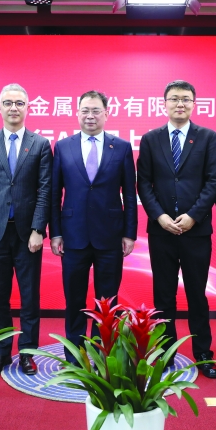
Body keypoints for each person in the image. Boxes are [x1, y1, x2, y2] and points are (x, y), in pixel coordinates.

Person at [137, 80, 216, 378]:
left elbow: (214, 181)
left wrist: (194, 216)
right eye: (174, 99)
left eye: (185, 99)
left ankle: (203, 354)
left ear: (194, 104)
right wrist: (159, 216)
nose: (180, 104)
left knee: (197, 294)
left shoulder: (208, 137)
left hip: (195, 231)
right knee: (163, 296)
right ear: (164, 104)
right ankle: (165, 353)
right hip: (161, 231)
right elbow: (143, 183)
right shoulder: (151, 139)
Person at [50, 90, 137, 364]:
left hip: (110, 235)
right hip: (72, 235)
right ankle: (74, 354)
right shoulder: (63, 147)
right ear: (77, 113)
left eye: (96, 110)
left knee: (107, 301)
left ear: (106, 114)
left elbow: (129, 194)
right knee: (74, 298)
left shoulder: (121, 147)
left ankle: (103, 353)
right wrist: (56, 233)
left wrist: (129, 233)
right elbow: (54, 194)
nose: (90, 116)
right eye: (85, 110)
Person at [0, 83, 52, 376]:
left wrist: (38, 229)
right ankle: (2, 354)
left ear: (28, 107)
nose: (13, 108)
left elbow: (45, 190)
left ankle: (28, 353)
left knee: (29, 297)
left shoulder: (40, 144)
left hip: (27, 234)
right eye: (8, 103)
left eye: (19, 103)